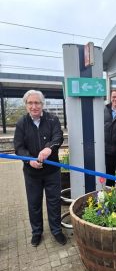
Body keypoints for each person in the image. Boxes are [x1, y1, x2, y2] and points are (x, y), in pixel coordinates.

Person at [14, 89, 67, 247]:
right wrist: (29, 160)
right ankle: (37, 232)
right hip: (32, 173)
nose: (34, 106)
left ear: (42, 104)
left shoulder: (52, 119)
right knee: (34, 203)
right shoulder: (21, 123)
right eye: (30, 103)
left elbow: (58, 137)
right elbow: (18, 147)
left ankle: (56, 230)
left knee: (54, 201)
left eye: (37, 102)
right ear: (26, 105)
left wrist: (49, 148)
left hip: (52, 172)